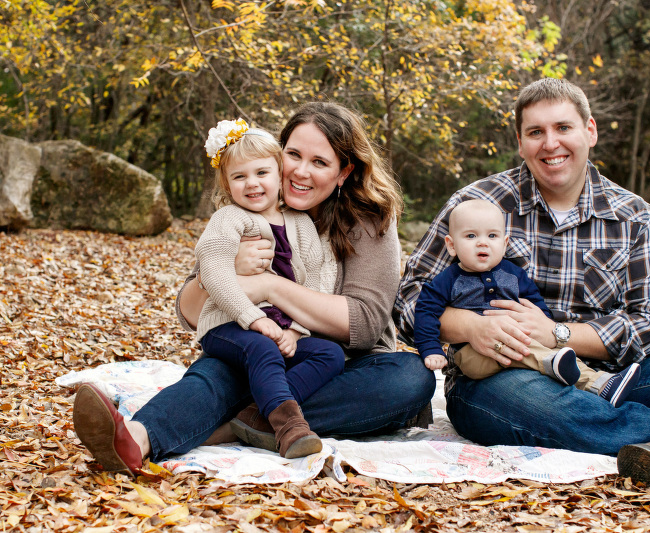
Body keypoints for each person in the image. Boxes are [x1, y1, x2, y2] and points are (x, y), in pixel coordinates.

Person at [395, 78, 650, 497]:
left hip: (613, 378)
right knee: (530, 402)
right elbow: (408, 298)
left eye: (563, 127)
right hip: (501, 376)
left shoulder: (634, 216)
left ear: (590, 131)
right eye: (536, 132)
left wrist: (556, 334)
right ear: (520, 142)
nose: (550, 143)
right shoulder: (476, 205)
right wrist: (472, 327)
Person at [73, 101, 436, 475]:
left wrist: (267, 285)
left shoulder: (370, 219)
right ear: (278, 155)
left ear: (344, 172)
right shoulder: (248, 207)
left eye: (319, 162)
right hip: (258, 349)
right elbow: (191, 313)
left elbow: (365, 323)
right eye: (293, 155)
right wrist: (223, 272)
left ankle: (239, 423)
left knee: (410, 378)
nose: (301, 171)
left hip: (340, 367)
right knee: (225, 368)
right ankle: (134, 440)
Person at [193, 119, 345, 458]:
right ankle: (289, 428)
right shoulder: (228, 219)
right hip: (228, 325)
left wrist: (296, 330)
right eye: (239, 176)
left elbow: (315, 281)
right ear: (227, 183)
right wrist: (253, 318)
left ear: (280, 175)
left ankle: (254, 413)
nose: (252, 183)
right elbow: (214, 273)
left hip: (279, 328)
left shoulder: (300, 223)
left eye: (261, 173)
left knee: (330, 354)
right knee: (263, 349)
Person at [413, 199, 641, 408]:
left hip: (521, 346)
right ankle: (584, 377)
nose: (482, 243)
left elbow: (534, 303)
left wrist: (545, 326)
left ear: (504, 243)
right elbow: (425, 311)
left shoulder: (513, 274)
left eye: (492, 236)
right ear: (452, 245)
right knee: (532, 352)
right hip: (473, 356)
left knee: (551, 351)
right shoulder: (448, 280)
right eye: (471, 236)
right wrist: (431, 348)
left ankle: (600, 384)